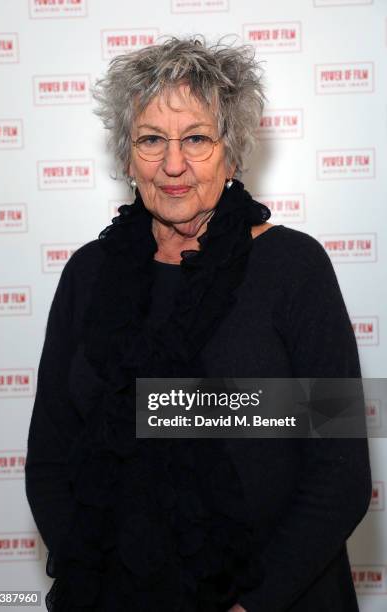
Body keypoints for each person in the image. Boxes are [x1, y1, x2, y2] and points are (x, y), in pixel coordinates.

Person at [25, 37, 372, 612]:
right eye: (151, 139)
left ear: (232, 151)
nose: (174, 164)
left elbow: (339, 477)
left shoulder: (293, 268)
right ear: (126, 153)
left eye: (197, 139)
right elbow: (50, 460)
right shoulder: (88, 274)